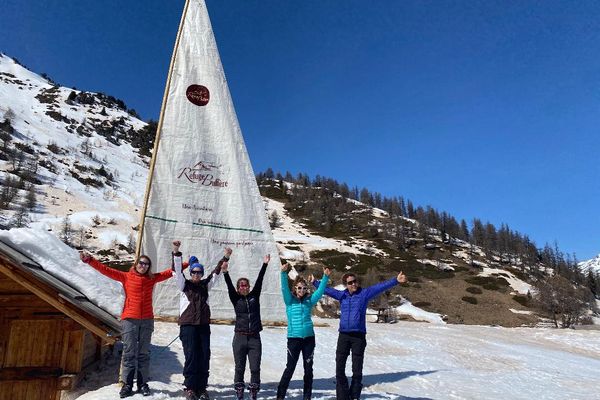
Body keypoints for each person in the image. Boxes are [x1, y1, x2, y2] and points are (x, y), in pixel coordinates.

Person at [79, 241, 179, 398]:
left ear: (149, 267)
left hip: (146, 320)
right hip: (129, 319)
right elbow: (105, 270)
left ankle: (142, 383)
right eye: (141, 263)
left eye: (146, 264)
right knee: (129, 352)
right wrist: (90, 260)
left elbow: (172, 272)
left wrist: (182, 257)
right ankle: (127, 384)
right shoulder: (126, 277)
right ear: (136, 263)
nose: (143, 266)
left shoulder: (152, 278)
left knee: (144, 353)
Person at [312, 271, 407, 400]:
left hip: (358, 337)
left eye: (355, 281)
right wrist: (314, 282)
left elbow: (380, 287)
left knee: (357, 370)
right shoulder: (342, 295)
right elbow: (327, 290)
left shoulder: (364, 294)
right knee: (339, 368)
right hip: (344, 336)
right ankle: (343, 396)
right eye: (350, 283)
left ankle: (354, 396)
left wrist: (395, 280)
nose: (354, 284)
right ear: (346, 284)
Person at [173, 246, 231, 400]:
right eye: (194, 272)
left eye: (199, 272)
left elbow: (217, 272)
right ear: (190, 273)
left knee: (204, 356)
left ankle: (202, 388)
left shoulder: (206, 285)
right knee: (191, 356)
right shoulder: (184, 285)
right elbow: (177, 271)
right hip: (188, 326)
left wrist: (226, 257)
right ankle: (190, 387)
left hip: (203, 326)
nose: (197, 274)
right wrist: (176, 252)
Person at [276, 263, 330, 400]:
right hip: (294, 339)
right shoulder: (289, 301)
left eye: (304, 288)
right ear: (295, 288)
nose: (301, 290)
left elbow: (319, 292)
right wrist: (283, 273)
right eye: (299, 288)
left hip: (309, 340)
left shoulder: (309, 301)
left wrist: (325, 277)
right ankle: (280, 396)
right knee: (290, 368)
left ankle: (307, 397)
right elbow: (283, 289)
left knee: (308, 370)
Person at [221, 254, 270, 400]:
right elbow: (229, 285)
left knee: (255, 367)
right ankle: (239, 389)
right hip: (240, 337)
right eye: (241, 285)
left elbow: (260, 280)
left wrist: (265, 264)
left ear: (249, 287)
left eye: (246, 285)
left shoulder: (255, 295)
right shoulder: (235, 298)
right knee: (239, 367)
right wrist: (225, 272)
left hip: (254, 337)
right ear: (238, 288)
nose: (244, 287)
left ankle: (254, 389)